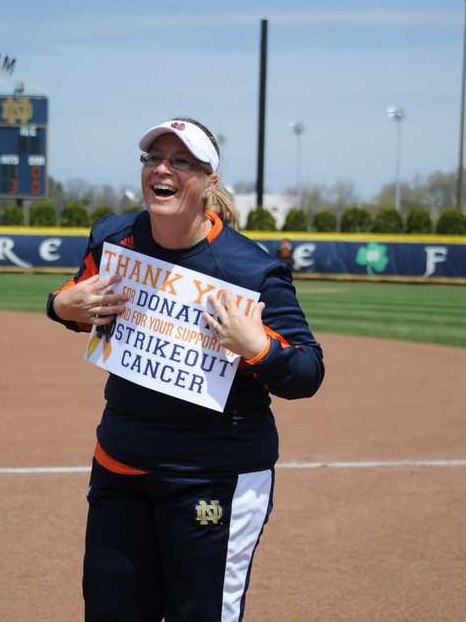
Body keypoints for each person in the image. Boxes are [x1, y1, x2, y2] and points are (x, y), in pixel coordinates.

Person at [46, 118, 324, 622]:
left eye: (181, 161)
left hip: (213, 478)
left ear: (209, 180)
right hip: (120, 468)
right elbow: (84, 302)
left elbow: (307, 370)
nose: (162, 169)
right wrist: (60, 305)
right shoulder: (115, 238)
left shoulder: (249, 270)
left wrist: (257, 347)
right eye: (154, 158)